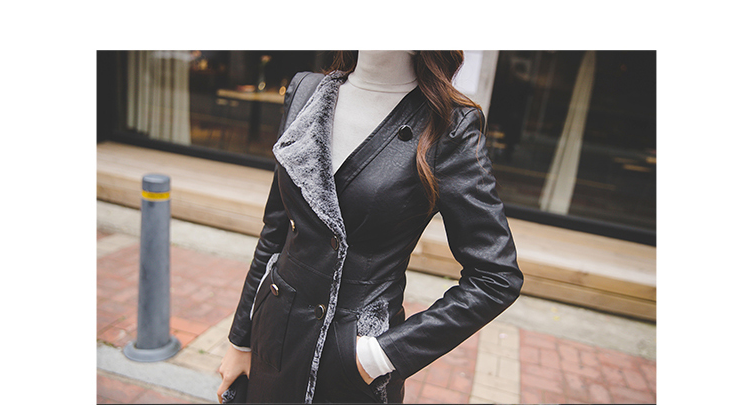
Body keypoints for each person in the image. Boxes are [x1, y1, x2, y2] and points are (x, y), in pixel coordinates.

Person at [217, 50, 523, 404]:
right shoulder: (306, 91)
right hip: (273, 337)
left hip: (351, 362)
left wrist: (376, 356)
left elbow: (496, 277)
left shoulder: (447, 126)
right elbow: (275, 229)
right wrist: (240, 340)